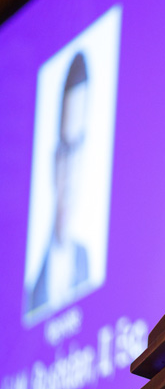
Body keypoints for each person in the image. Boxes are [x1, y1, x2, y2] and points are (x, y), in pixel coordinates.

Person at [28, 52, 91, 314]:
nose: (72, 165)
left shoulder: (87, 263)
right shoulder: (31, 294)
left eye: (79, 146)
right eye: (67, 147)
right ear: (54, 159)